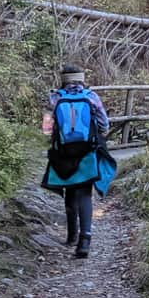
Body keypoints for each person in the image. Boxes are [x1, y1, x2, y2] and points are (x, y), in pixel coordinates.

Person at [40, 64, 116, 259]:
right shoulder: (91, 97)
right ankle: (85, 241)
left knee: (69, 190)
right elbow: (104, 124)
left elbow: (47, 129)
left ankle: (72, 235)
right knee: (84, 193)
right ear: (81, 79)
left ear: (63, 79)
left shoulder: (55, 98)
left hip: (63, 152)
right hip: (87, 151)